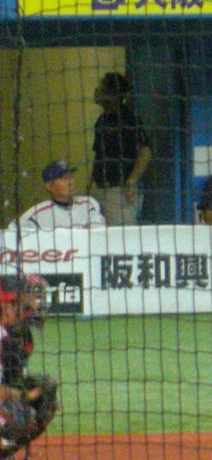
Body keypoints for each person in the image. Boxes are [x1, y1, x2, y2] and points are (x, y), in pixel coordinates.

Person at [0, 274, 58, 459]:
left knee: (46, 397)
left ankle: (5, 453)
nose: (36, 305)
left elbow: (12, 379)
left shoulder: (22, 336)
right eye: (31, 298)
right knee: (19, 412)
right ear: (9, 304)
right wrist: (24, 396)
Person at [88, 72, 152, 225]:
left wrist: (131, 181)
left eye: (102, 88)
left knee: (121, 235)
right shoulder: (102, 120)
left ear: (113, 94)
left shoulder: (129, 119)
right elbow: (99, 155)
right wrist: (91, 181)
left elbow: (145, 151)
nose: (97, 91)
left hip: (120, 192)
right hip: (101, 190)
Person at [11, 160, 106, 231]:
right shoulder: (37, 213)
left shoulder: (89, 203)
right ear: (49, 186)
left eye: (71, 177)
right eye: (64, 179)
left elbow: (100, 232)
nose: (70, 182)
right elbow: (12, 230)